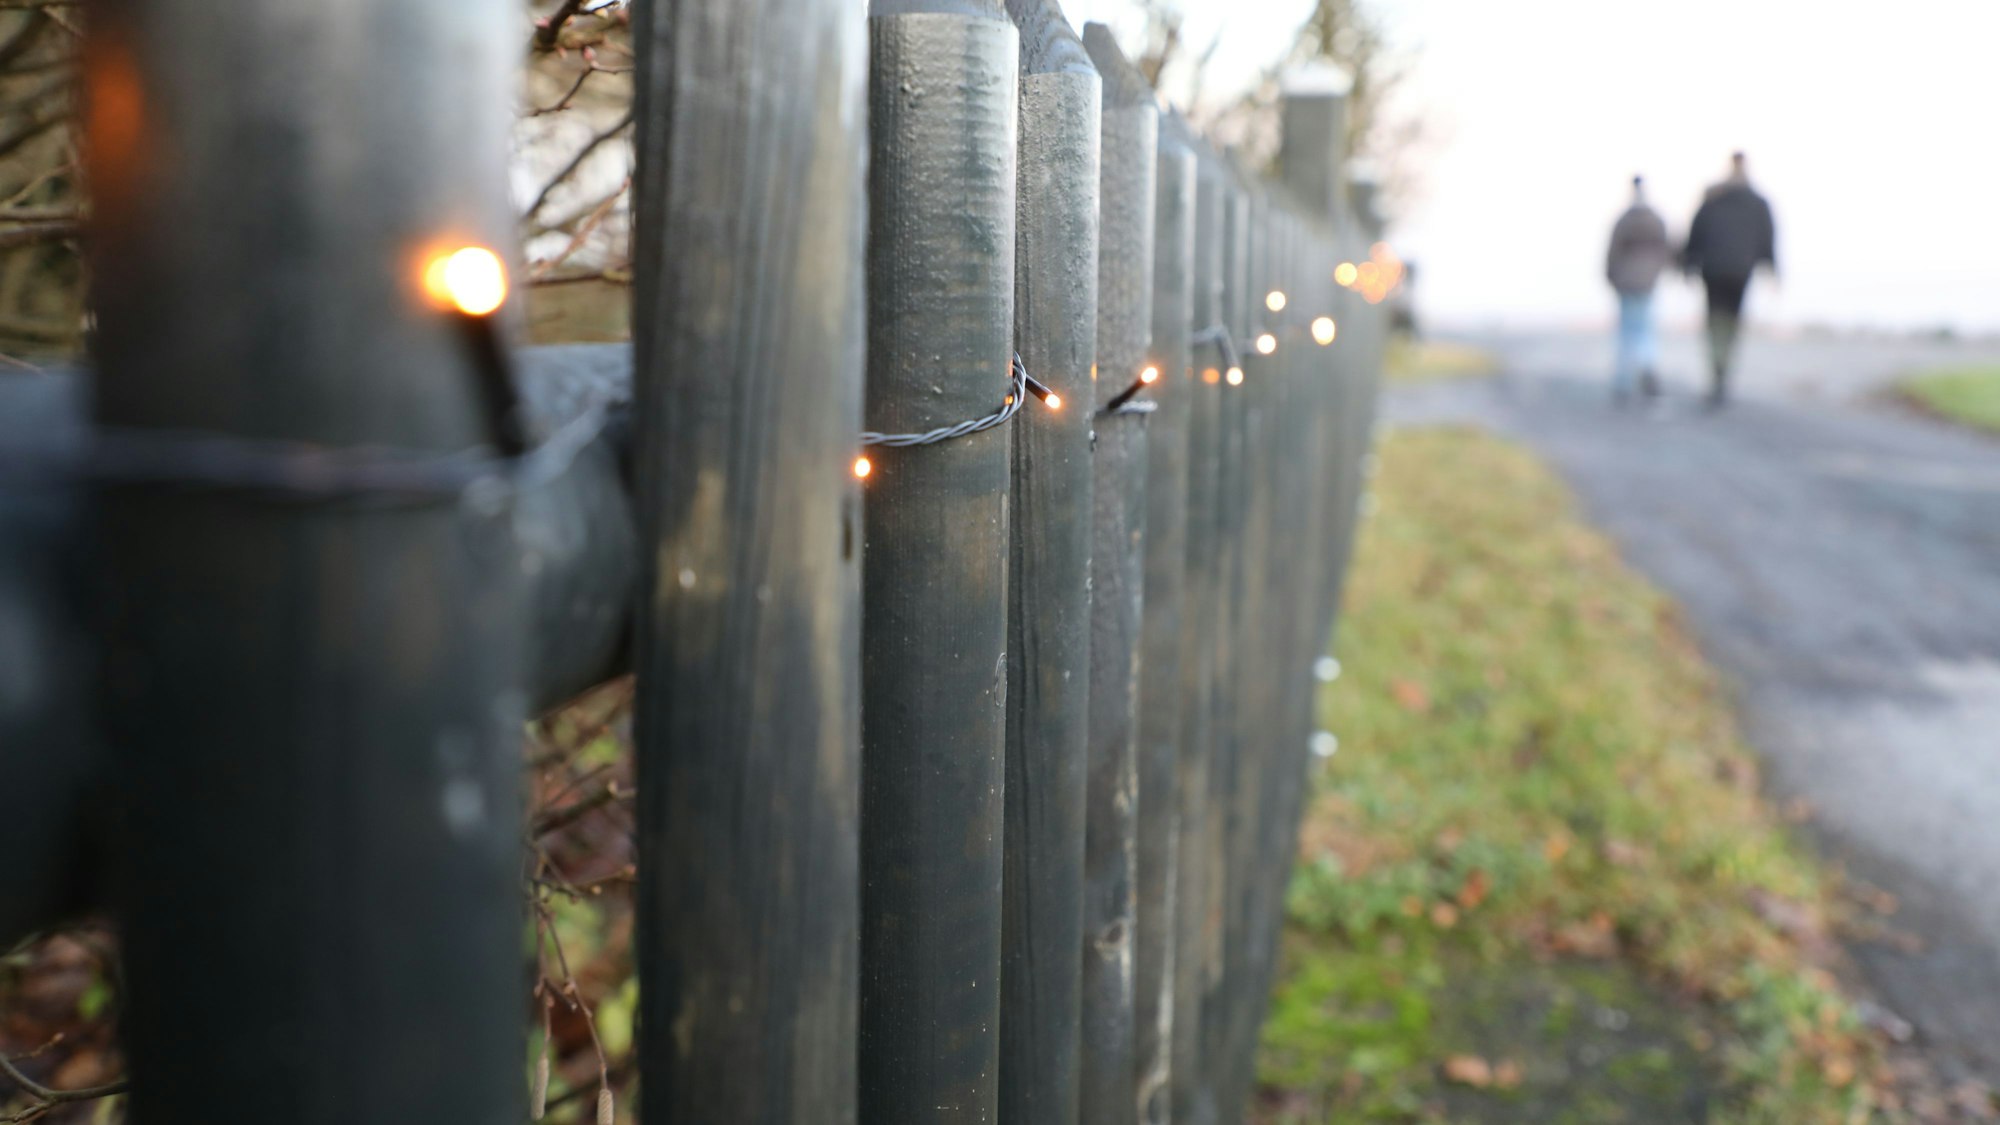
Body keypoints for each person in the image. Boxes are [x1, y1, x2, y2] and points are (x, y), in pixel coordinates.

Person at [1682, 151, 1777, 408]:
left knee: (1716, 322)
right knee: (1730, 322)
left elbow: (1695, 231)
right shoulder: (1756, 201)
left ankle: (1718, 369)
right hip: (1739, 270)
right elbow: (1767, 236)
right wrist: (1771, 268)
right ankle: (1722, 371)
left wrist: (1689, 263)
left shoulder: (1714, 197)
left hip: (1714, 269)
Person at [1604, 175, 1671, 404]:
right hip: (1647, 282)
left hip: (1626, 282)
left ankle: (1623, 382)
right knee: (1644, 329)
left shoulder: (1624, 220)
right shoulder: (1655, 220)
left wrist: (1611, 276)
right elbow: (1665, 250)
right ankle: (1647, 366)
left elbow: (1613, 252)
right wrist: (1656, 271)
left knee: (1626, 332)